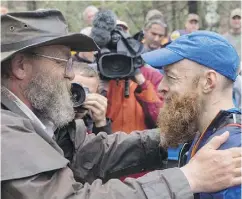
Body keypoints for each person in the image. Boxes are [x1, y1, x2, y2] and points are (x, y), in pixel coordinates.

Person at [2, 9, 242, 199]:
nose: (70, 74)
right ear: (20, 66)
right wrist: (187, 178)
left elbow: (93, 153)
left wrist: (172, 135)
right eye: (62, 61)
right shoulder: (7, 132)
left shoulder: (42, 121)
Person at [142, 30, 241, 198]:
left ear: (208, 82)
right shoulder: (201, 131)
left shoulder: (232, 151)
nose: (160, 87)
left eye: (171, 77)